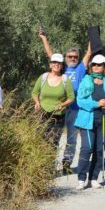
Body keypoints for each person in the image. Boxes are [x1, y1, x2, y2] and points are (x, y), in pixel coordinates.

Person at [39, 29, 91, 174]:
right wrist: (44, 38)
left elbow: (89, 53)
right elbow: (50, 55)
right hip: (59, 108)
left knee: (72, 138)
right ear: (65, 57)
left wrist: (92, 36)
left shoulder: (81, 68)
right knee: (53, 137)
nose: (73, 58)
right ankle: (50, 165)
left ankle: (67, 164)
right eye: (70, 56)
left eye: (75, 57)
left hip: (75, 108)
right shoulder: (63, 68)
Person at [74, 54, 105, 190]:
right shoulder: (86, 80)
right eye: (94, 64)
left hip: (104, 120)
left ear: (104, 67)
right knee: (87, 148)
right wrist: (96, 103)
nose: (96, 67)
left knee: (99, 150)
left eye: (99, 65)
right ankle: (81, 179)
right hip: (87, 120)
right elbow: (80, 100)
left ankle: (94, 178)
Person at [32, 52, 75, 154]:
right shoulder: (43, 77)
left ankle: (51, 167)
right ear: (50, 64)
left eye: (59, 63)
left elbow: (71, 98)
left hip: (58, 116)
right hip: (43, 114)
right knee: (42, 141)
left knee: (53, 143)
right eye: (54, 62)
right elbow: (34, 92)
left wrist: (62, 105)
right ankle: (42, 168)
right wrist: (37, 102)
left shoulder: (65, 80)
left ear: (62, 65)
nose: (56, 64)